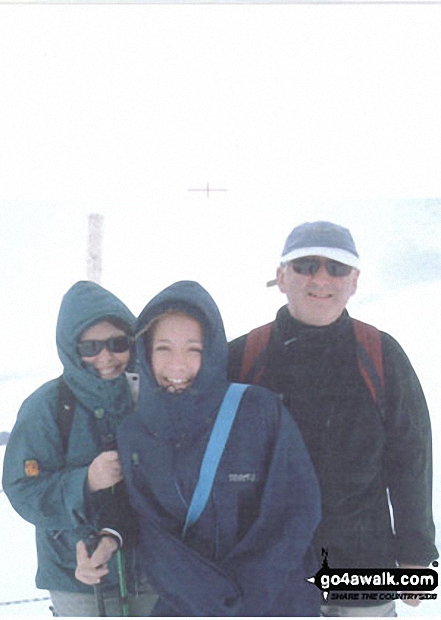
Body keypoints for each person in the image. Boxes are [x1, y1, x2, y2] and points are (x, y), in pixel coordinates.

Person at [228, 221, 438, 617]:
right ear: (281, 276)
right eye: (306, 265)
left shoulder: (379, 354)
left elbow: (411, 459)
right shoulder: (243, 356)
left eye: (337, 267)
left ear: (354, 282)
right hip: (269, 574)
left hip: (363, 575)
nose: (321, 278)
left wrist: (415, 553)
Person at [76, 280, 322, 616]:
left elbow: (295, 510)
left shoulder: (259, 411)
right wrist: (107, 539)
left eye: (194, 349)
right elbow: (150, 531)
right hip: (189, 607)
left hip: (272, 603)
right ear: (145, 352)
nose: (178, 365)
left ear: (213, 352)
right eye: (164, 348)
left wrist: (243, 596)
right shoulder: (134, 433)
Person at [2, 281, 158, 617]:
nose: (105, 357)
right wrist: (84, 481)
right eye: (90, 347)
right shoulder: (46, 406)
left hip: (152, 572)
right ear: (72, 348)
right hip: (78, 579)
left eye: (117, 344)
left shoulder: (150, 395)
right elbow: (21, 486)